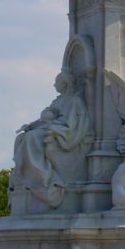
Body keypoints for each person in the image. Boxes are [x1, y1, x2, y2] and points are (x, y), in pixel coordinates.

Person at [12, 69, 90, 208]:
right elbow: (47, 117)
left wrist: (55, 128)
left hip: (61, 131)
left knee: (31, 138)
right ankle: (27, 177)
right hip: (49, 127)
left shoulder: (75, 101)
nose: (54, 86)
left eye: (57, 83)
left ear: (64, 84)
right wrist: (32, 125)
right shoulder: (58, 101)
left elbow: (75, 125)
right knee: (21, 138)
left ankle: (43, 178)